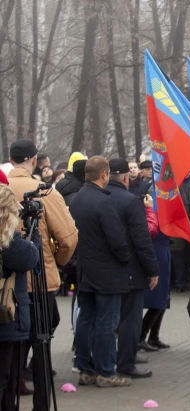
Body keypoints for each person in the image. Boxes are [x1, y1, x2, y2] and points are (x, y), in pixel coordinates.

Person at [7, 139, 78, 407]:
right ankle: (40, 404)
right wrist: (55, 263)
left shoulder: (4, 188)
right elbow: (68, 238)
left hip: (5, 284)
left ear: (12, 159)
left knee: (9, 347)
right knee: (42, 343)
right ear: (35, 160)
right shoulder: (44, 192)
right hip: (38, 282)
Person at [69, 156, 132, 388]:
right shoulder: (103, 203)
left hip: (85, 268)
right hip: (107, 271)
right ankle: (106, 371)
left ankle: (85, 369)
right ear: (104, 174)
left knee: (85, 319)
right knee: (107, 322)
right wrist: (125, 259)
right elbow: (117, 239)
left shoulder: (77, 199)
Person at [106, 159, 160, 379]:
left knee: (104, 318)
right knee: (130, 319)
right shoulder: (130, 201)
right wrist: (153, 269)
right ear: (126, 178)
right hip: (130, 269)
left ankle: (99, 362)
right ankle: (126, 363)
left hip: (99, 270)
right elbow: (142, 239)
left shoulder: (88, 198)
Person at [0, 185, 39, 410]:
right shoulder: (10, 242)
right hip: (6, 318)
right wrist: (32, 236)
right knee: (4, 375)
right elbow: (31, 257)